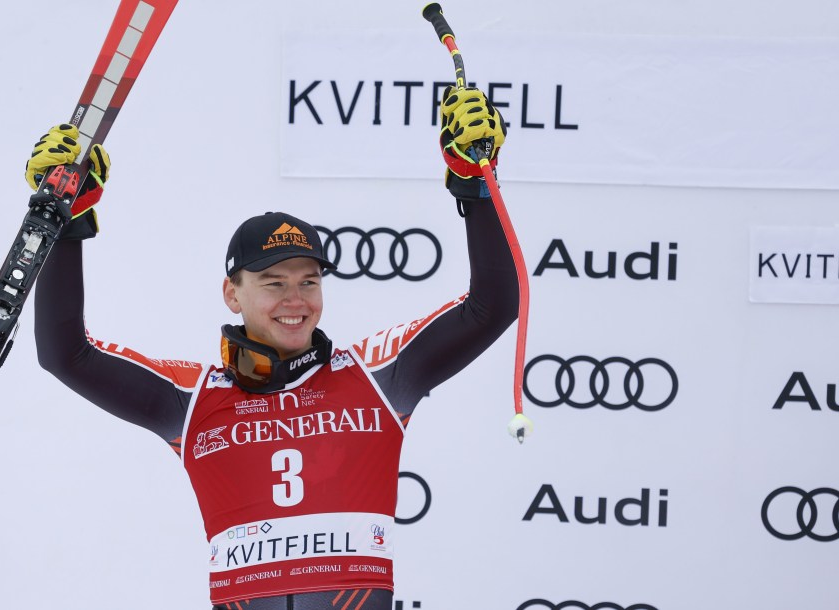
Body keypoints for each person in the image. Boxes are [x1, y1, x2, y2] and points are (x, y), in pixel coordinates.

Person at [27, 86, 517, 609]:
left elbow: (493, 305)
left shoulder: (379, 376)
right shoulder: (190, 401)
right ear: (231, 293)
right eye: (273, 282)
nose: (295, 300)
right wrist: (66, 225)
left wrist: (473, 184)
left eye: (309, 281)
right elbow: (65, 354)